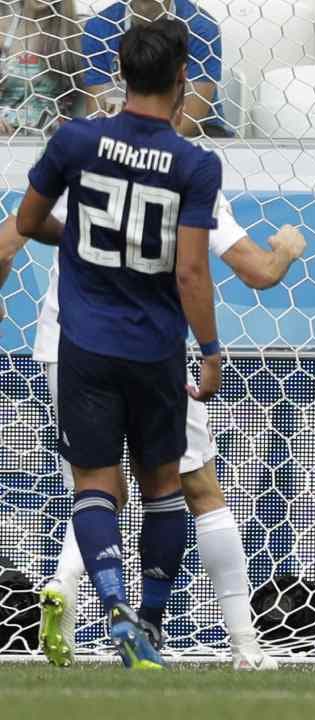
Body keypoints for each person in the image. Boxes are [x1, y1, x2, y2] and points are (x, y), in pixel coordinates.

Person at [0, 187, 305, 669]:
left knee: (96, 488)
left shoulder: (78, 164)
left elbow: (5, 245)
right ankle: (244, 645)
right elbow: (257, 272)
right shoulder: (188, 175)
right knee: (199, 489)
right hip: (149, 347)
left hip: (67, 347)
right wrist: (285, 249)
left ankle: (64, 584)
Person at [14, 18, 223, 669]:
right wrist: (210, 350)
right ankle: (152, 623)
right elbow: (191, 271)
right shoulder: (194, 164)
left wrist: (80, 239)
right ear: (182, 78)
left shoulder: (76, 140)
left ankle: (113, 606)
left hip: (85, 344)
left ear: (121, 75)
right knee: (163, 486)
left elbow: (27, 221)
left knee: (94, 485)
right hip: (155, 348)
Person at [81, 0, 227, 137]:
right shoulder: (99, 27)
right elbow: (98, 114)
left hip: (200, 133)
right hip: (125, 132)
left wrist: (142, 147)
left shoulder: (201, 27)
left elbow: (191, 121)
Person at [0, 0, 82, 137]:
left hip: (54, 139)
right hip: (5, 138)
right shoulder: (3, 28)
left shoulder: (74, 36)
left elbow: (89, 103)